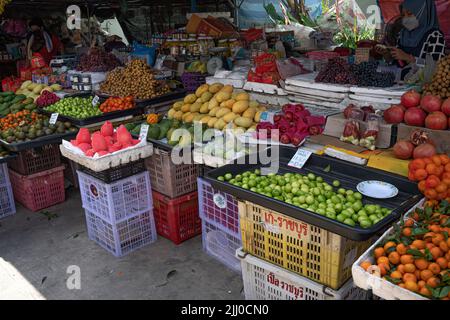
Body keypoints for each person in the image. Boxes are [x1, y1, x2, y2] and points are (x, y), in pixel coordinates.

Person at [377, 0, 446, 74]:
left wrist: (409, 58)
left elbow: (436, 67)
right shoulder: (402, 34)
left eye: (410, 14)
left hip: (422, 84)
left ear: (423, 13)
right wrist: (388, 56)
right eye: (403, 15)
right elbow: (398, 63)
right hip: (402, 83)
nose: (406, 18)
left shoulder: (435, 36)